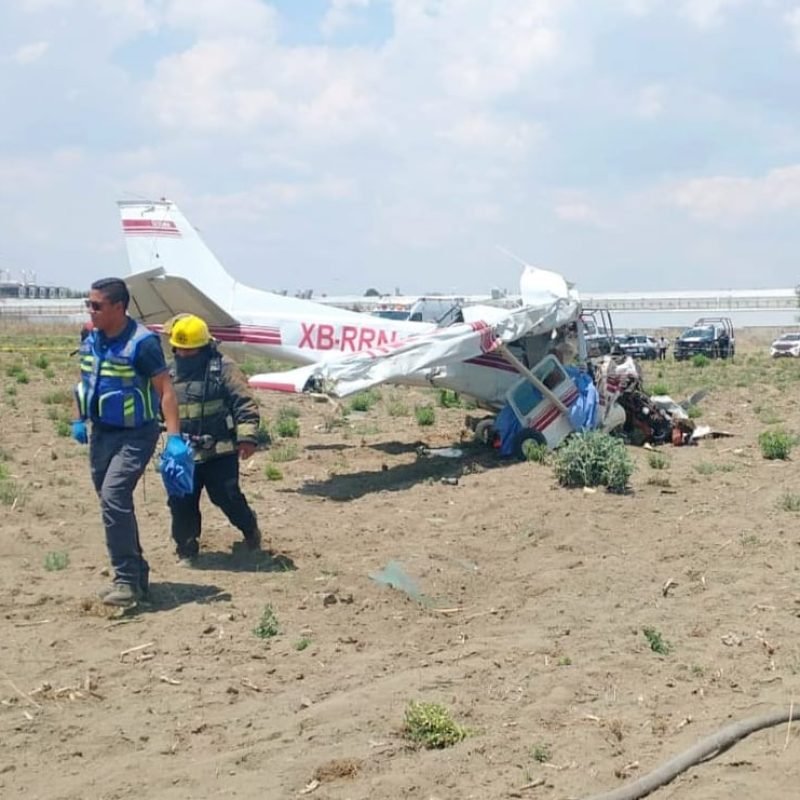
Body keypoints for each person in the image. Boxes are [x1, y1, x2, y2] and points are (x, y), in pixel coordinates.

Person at [72, 278, 185, 607]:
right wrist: (79, 418)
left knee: (114, 496)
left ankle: (125, 580)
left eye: (97, 306)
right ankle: (136, 576)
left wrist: (174, 439)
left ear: (119, 308)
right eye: (88, 304)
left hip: (136, 434)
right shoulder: (90, 337)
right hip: (102, 433)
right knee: (112, 505)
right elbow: (85, 379)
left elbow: (165, 390)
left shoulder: (142, 343)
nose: (90, 311)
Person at [164, 314, 264, 564]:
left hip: (220, 451)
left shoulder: (224, 368)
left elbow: (244, 401)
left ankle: (250, 529)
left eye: (191, 351)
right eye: (181, 350)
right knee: (181, 502)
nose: (185, 356)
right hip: (183, 453)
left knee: (227, 496)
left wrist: (247, 437)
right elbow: (157, 406)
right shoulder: (168, 372)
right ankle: (186, 548)